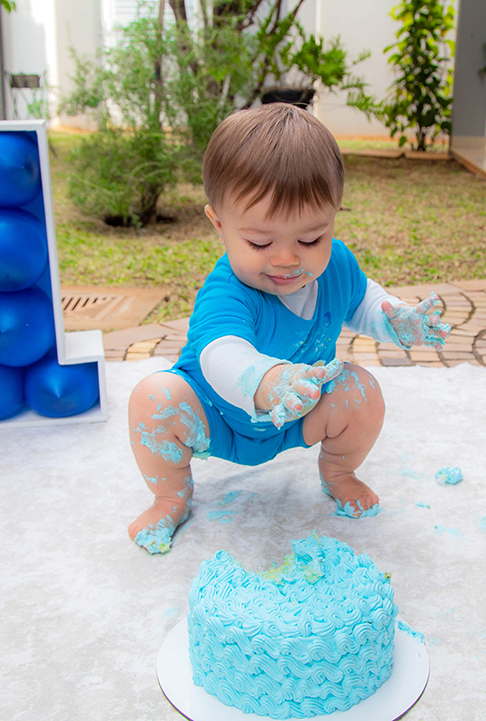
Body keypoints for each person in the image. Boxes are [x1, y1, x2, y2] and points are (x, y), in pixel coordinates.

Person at [127, 103, 451, 554]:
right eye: (259, 242)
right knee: (153, 399)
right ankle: (170, 497)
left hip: (298, 415)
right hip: (216, 417)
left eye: (311, 238)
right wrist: (269, 382)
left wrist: (395, 318)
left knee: (361, 391)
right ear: (219, 224)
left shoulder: (335, 266)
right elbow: (221, 355)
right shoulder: (228, 293)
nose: (286, 258)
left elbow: (363, 301)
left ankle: (338, 472)